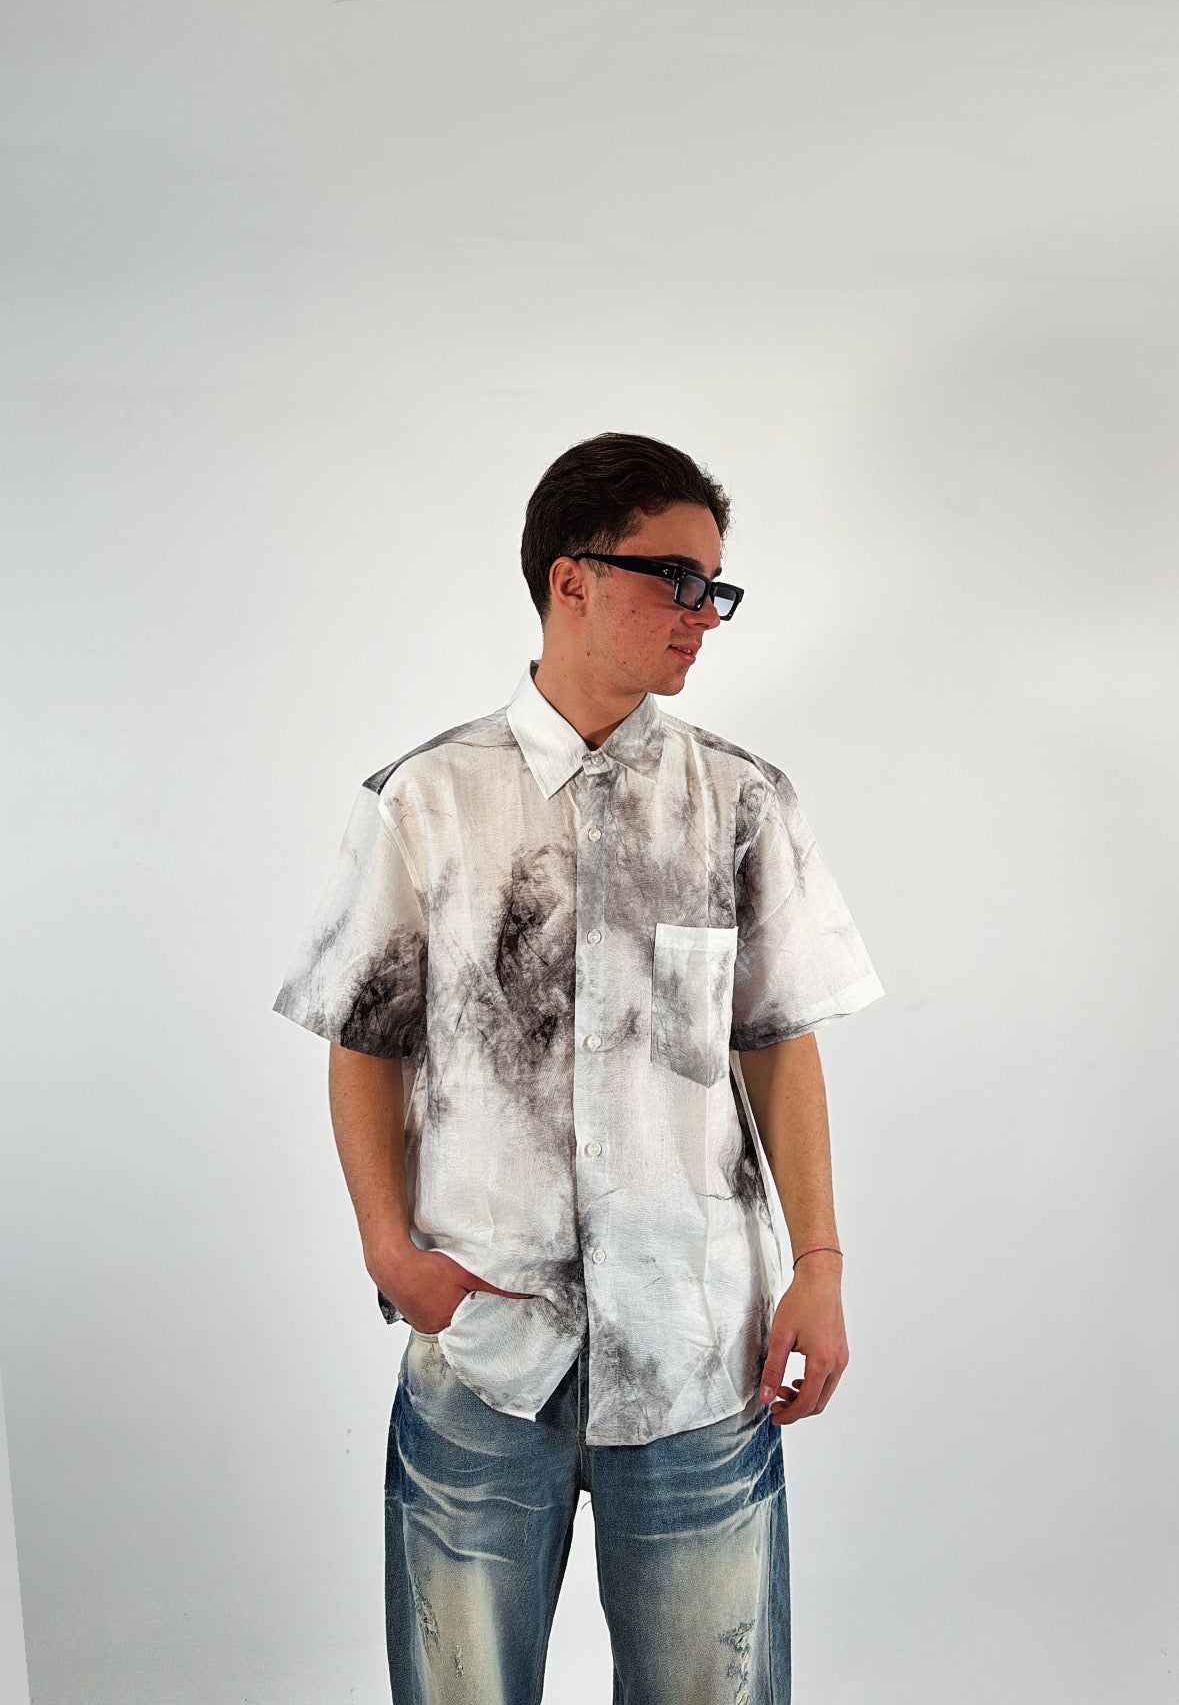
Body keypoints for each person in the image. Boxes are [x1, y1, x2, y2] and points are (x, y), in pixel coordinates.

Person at [271, 430, 886, 1705]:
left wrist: (820, 1264)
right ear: (572, 578)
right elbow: (363, 1038)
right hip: (485, 1349)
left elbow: (778, 1044)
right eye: (678, 579)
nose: (703, 613)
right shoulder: (423, 799)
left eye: (717, 586)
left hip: (699, 1352)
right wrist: (388, 1250)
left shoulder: (744, 802)